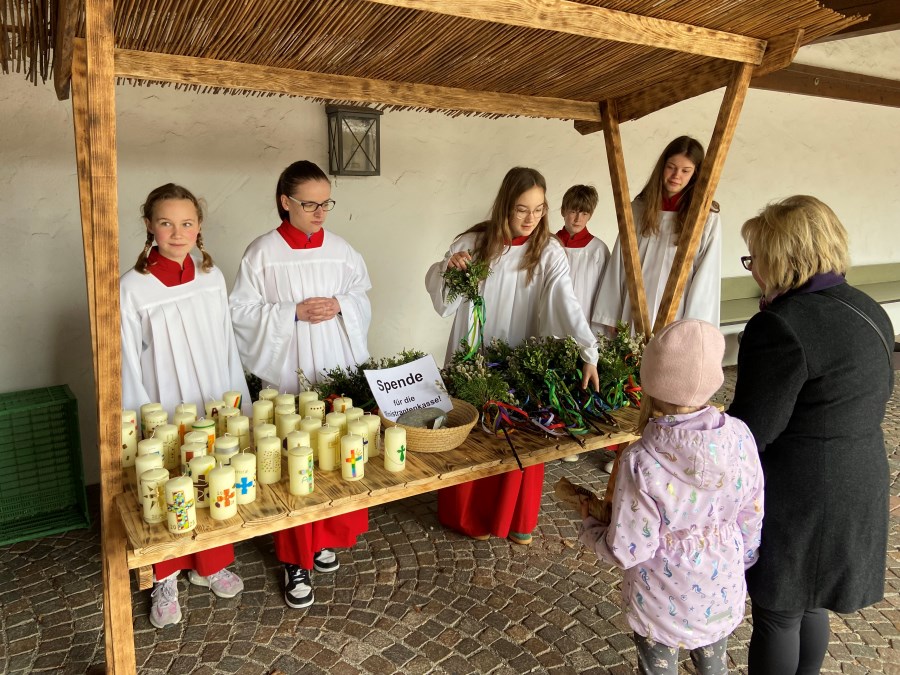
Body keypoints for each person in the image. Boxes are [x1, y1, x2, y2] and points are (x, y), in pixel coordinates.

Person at [728, 196, 893, 675]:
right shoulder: (869, 308)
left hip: (802, 491)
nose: (754, 270)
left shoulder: (781, 324)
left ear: (782, 257)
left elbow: (753, 430)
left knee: (779, 613)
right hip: (858, 477)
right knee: (813, 602)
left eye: (756, 257)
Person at [425, 166, 600, 546]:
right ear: (505, 204)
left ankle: (514, 516)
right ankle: (469, 516)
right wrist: (449, 270)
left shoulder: (547, 250)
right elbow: (444, 303)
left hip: (519, 354)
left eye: (538, 209)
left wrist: (589, 350)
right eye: (522, 209)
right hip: (473, 355)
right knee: (475, 433)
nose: (530, 219)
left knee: (519, 434)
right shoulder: (471, 243)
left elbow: (567, 302)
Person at [580, 319, 764, 675]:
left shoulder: (640, 460)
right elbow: (752, 511)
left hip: (659, 600)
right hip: (720, 588)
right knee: (714, 668)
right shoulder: (741, 436)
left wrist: (591, 528)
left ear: (651, 382)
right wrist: (743, 557)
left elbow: (629, 548)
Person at [229, 160, 370, 609]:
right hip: (288, 370)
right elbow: (240, 312)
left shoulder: (342, 250)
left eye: (326, 203)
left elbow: (363, 296)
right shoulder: (262, 253)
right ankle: (295, 559)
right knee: (293, 463)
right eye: (310, 204)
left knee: (330, 453)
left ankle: (322, 537)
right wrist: (291, 312)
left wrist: (341, 304)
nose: (320, 212)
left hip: (334, 365)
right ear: (284, 202)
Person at [121, 183, 248, 629]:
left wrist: (235, 402)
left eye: (187, 223)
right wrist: (140, 419)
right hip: (163, 401)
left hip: (210, 396)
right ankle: (166, 577)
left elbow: (226, 344)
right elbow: (126, 360)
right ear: (149, 226)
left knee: (213, 473)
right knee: (168, 481)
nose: (178, 233)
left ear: (199, 226)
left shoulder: (212, 277)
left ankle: (210, 564)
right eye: (166, 223)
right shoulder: (132, 288)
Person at [592, 136, 721, 334]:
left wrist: (694, 329)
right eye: (671, 167)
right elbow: (620, 261)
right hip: (634, 308)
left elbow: (707, 276)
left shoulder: (705, 218)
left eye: (685, 171)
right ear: (662, 167)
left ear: (696, 174)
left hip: (678, 314)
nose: (676, 176)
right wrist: (611, 314)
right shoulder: (639, 209)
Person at [555, 184, 610, 463]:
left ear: (591, 215)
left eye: (584, 213)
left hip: (585, 320)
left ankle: (579, 435)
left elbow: (604, 290)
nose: (577, 218)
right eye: (573, 211)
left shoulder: (598, 250)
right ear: (563, 210)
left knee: (582, 378)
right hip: (554, 321)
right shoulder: (550, 244)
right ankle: (556, 432)